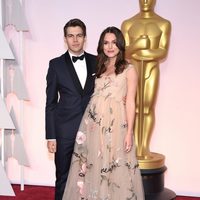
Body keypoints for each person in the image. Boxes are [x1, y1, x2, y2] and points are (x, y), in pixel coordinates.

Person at [62, 26, 144, 200]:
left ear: (120, 44)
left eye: (114, 42)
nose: (110, 46)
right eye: (106, 42)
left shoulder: (129, 69)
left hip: (116, 126)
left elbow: (130, 102)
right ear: (101, 45)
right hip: (93, 125)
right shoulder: (99, 66)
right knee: (94, 165)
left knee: (115, 166)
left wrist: (129, 132)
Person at [45, 18, 96, 200]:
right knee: (63, 177)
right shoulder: (55, 65)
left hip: (93, 130)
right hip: (64, 131)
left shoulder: (97, 62)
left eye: (79, 36)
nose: (75, 40)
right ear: (65, 38)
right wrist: (51, 135)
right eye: (71, 36)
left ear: (85, 38)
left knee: (92, 177)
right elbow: (50, 103)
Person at [121, 0, 171, 160]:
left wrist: (142, 53)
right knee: (133, 108)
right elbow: (124, 51)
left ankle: (144, 148)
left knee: (147, 108)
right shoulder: (128, 23)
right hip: (133, 71)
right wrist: (138, 45)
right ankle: (134, 146)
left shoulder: (163, 24)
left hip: (151, 70)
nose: (146, 1)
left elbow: (162, 51)